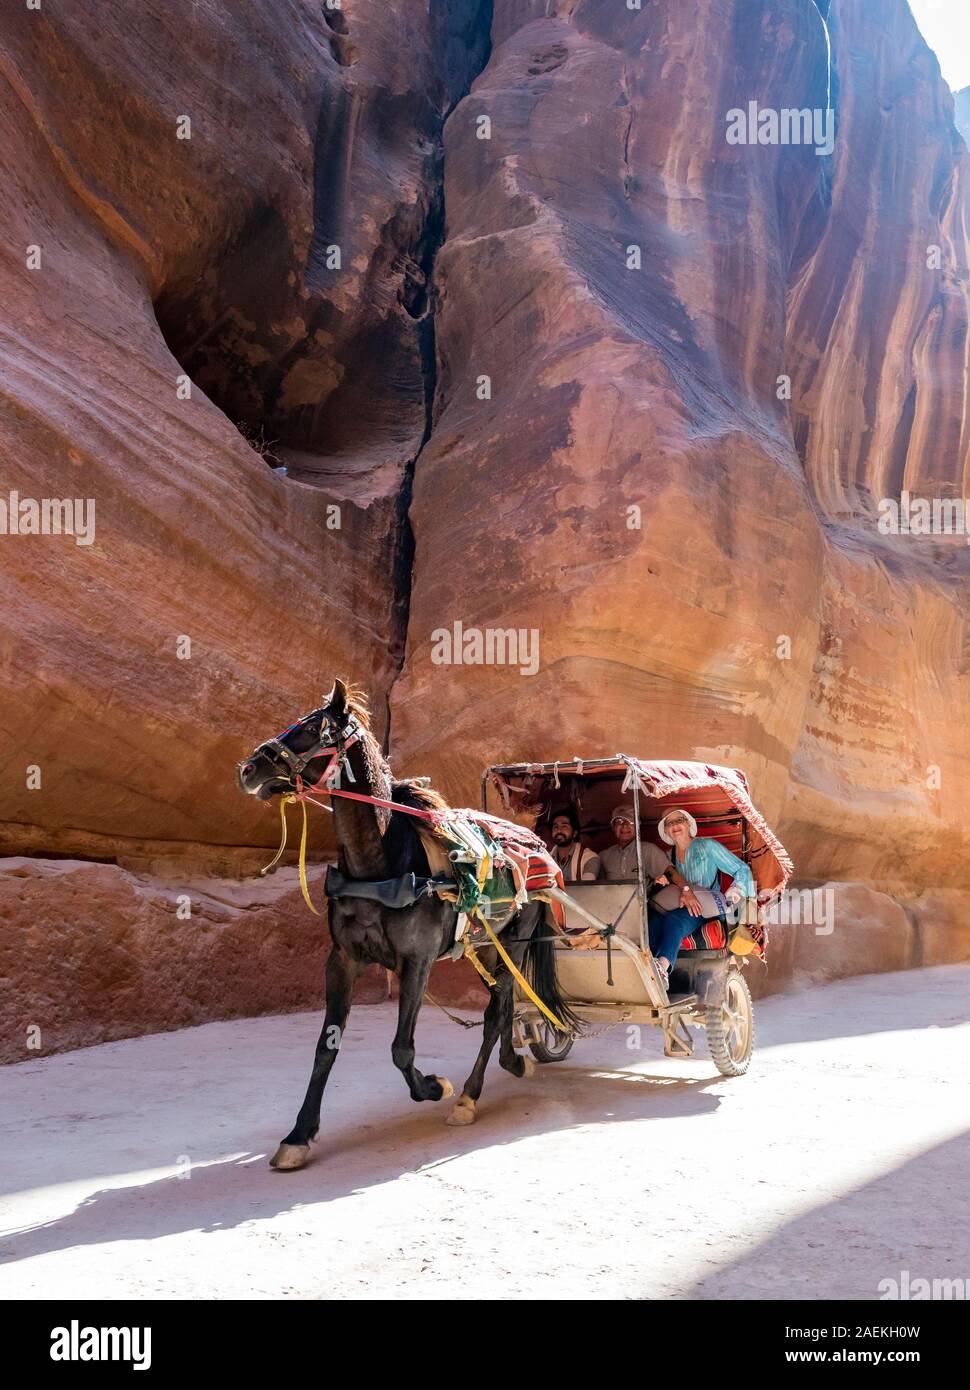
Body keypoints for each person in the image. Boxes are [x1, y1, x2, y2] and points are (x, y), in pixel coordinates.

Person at [647, 807, 756, 989]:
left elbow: (742, 869)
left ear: (688, 824)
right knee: (655, 922)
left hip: (705, 910)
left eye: (679, 820)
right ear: (665, 830)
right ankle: (645, 968)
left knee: (674, 920)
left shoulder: (707, 846)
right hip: (676, 906)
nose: (675, 826)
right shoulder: (667, 857)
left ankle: (662, 969)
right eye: (669, 823)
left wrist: (730, 899)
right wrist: (660, 881)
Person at [598, 805, 672, 883]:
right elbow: (597, 888)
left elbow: (670, 874)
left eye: (631, 822)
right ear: (613, 826)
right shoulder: (603, 856)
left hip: (644, 895)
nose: (625, 826)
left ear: (638, 826)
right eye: (619, 822)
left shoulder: (650, 850)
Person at [548, 806, 600, 882]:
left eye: (564, 826)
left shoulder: (590, 858)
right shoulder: (546, 859)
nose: (559, 830)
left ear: (575, 833)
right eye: (555, 827)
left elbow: (586, 888)